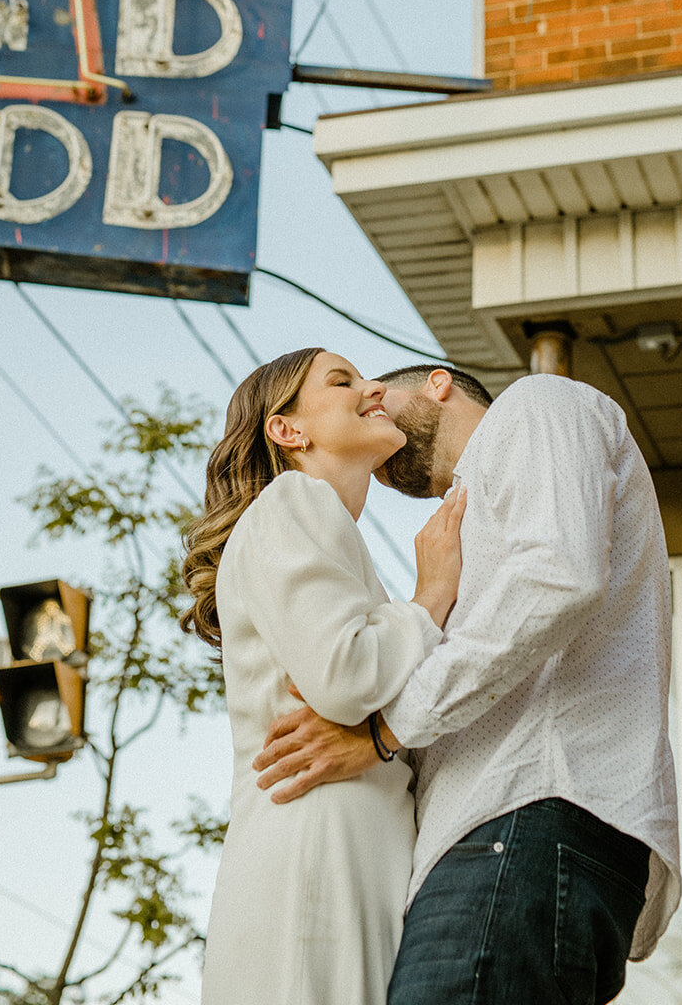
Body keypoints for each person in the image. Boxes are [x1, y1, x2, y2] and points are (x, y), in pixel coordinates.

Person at [254, 365, 681, 1005]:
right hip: (501, 835)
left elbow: (557, 574)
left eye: (376, 394)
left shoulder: (537, 403)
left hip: (529, 812)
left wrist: (382, 731)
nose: (371, 407)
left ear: (437, 383)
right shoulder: (465, 526)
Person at [181, 347, 467, 1005]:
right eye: (343, 381)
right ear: (287, 429)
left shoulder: (320, 529)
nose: (373, 388)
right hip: (314, 856)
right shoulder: (294, 500)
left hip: (339, 854)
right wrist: (428, 601)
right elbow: (344, 675)